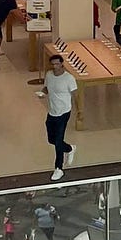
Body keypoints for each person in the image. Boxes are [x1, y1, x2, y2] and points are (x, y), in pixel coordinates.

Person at [43, 53, 78, 182]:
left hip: (64, 112)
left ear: (62, 64)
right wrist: (43, 92)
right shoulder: (49, 75)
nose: (55, 66)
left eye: (57, 64)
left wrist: (79, 111)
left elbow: (75, 95)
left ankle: (59, 168)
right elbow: (47, 88)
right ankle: (70, 148)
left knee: (58, 140)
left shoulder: (69, 78)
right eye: (53, 64)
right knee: (51, 139)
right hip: (52, 112)